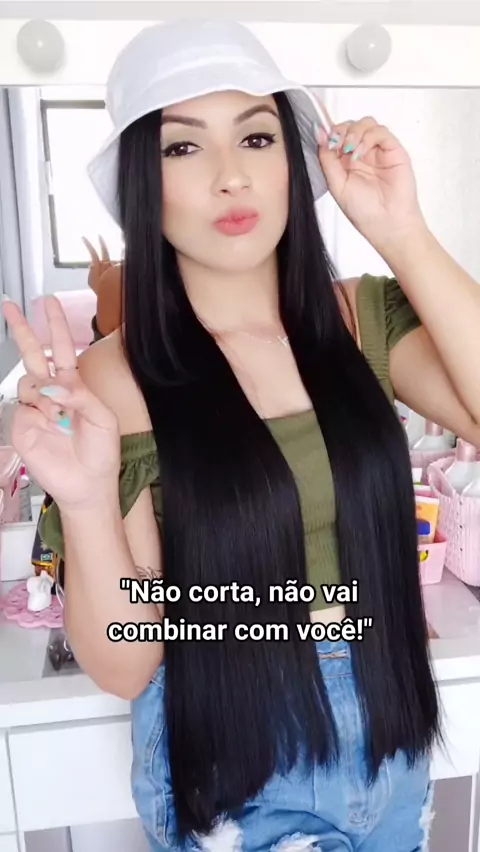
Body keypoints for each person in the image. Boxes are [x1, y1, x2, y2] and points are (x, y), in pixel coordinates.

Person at [3, 19, 480, 852]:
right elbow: (126, 663)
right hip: (235, 762)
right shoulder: (116, 378)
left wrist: (402, 231)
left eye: (257, 137)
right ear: (143, 185)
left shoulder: (359, 321)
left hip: (391, 735)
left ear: (292, 161)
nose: (231, 176)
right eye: (183, 148)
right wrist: (82, 501)